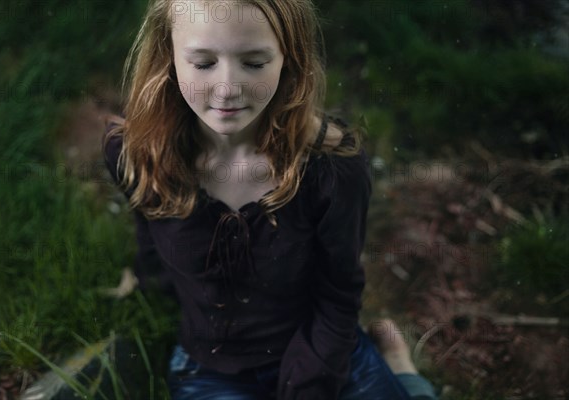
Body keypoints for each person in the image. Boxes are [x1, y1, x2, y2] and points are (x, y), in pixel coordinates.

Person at [103, 0, 437, 399]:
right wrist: (150, 281)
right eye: (203, 63)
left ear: (289, 61)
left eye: (255, 63)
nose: (227, 89)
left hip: (317, 342)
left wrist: (315, 374)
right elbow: (150, 234)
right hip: (210, 365)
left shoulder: (332, 169)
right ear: (168, 56)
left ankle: (402, 370)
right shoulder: (136, 152)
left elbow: (340, 290)